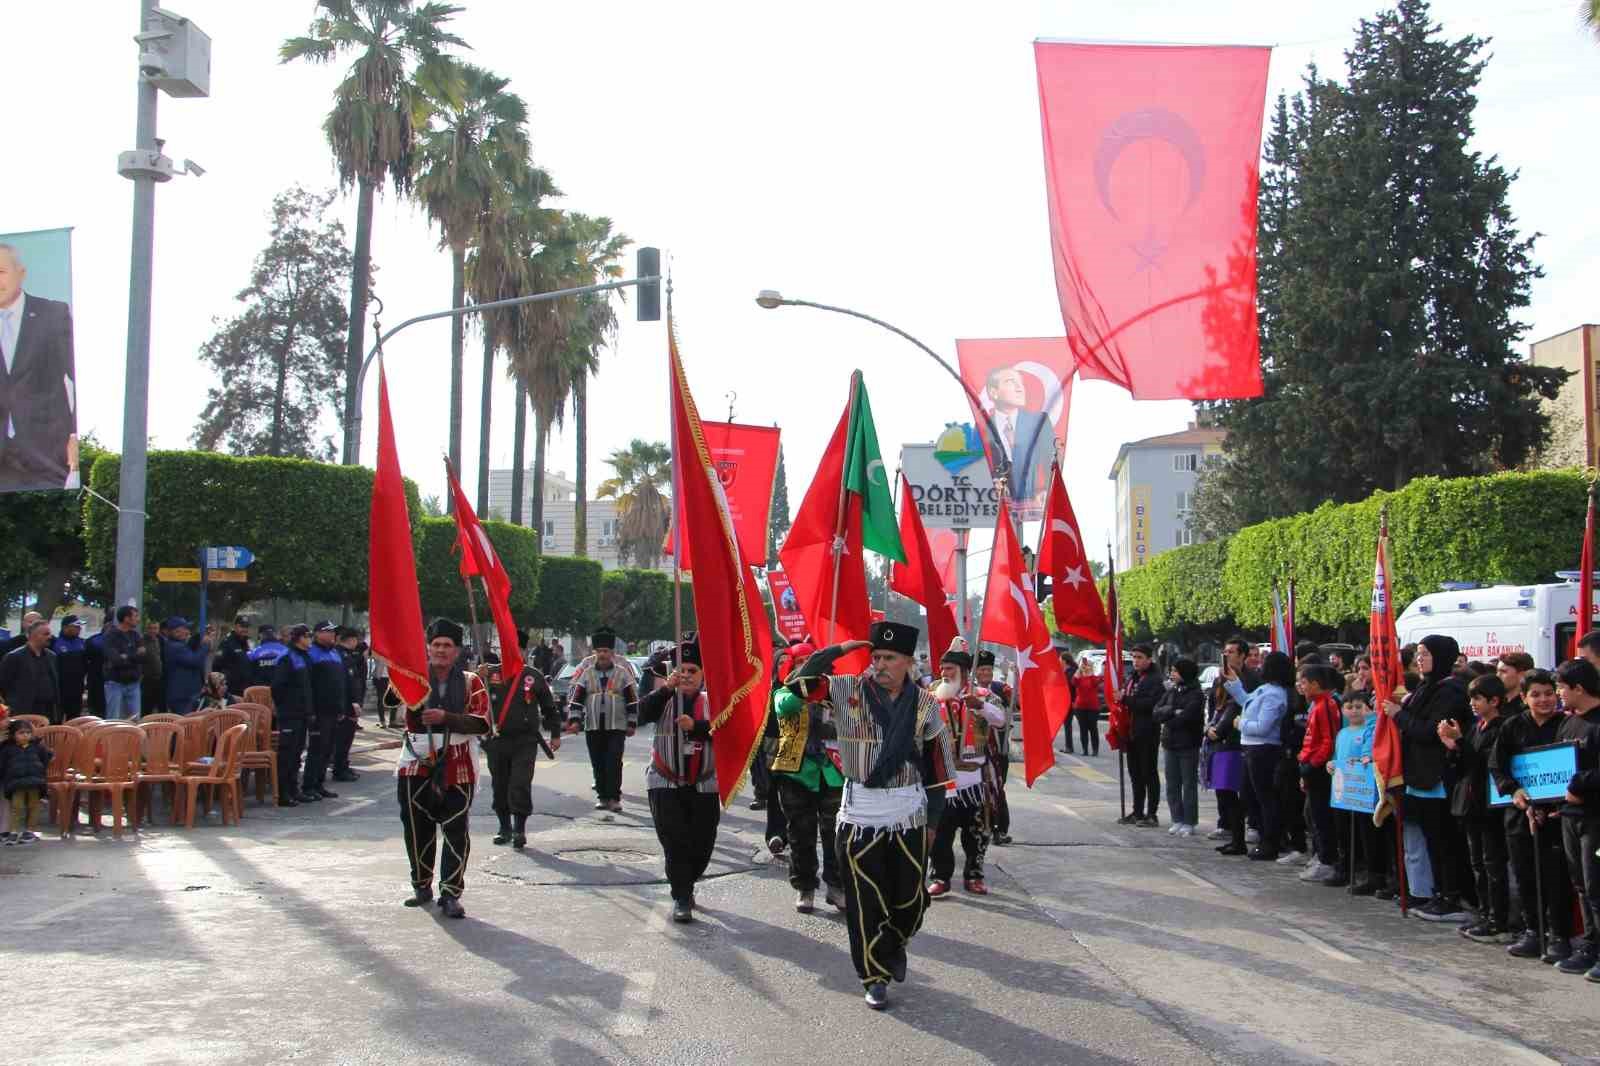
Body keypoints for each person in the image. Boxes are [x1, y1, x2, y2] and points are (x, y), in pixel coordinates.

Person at [815, 622, 955, 1010]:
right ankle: (873, 975)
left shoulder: (926, 704)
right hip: (860, 813)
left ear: (909, 662)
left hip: (909, 816)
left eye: (889, 658)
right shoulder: (846, 690)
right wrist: (838, 649)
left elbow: (939, 769)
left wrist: (933, 826)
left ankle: (894, 941)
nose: (880, 664)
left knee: (910, 902)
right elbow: (799, 680)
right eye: (876, 656)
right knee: (865, 903)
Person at [394, 618, 490, 920]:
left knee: (455, 831)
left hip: (458, 762)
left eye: (447, 645)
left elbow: (482, 722)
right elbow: (392, 698)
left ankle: (450, 892)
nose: (441, 650)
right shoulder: (413, 677)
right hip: (416, 762)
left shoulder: (472, 681)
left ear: (457, 650)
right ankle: (421, 885)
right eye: (436, 645)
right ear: (428, 647)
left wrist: (446, 717)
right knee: (416, 828)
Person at [1386, 634, 1471, 923]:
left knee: (1444, 840)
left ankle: (1452, 895)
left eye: (1426, 654)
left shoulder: (1451, 691)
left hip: (1437, 775)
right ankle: (1437, 891)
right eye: (1418, 654)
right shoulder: (1426, 687)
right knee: (1431, 840)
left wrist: (1399, 715)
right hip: (1419, 775)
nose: (1419, 659)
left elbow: (1429, 731)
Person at [639, 636, 722, 923]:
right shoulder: (663, 698)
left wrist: (698, 727)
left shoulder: (714, 702)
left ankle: (690, 878)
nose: (686, 676)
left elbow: (729, 733)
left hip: (704, 784)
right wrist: (667, 690)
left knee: (701, 843)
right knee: (674, 841)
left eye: (692, 671)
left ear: (702, 676)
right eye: (681, 670)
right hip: (665, 781)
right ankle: (681, 895)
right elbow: (639, 714)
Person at [1492, 669, 1573, 963]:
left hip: (1558, 815)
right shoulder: (1512, 727)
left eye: (1549, 693)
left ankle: (1560, 936)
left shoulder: (1566, 724)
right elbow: (1497, 767)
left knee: (1557, 877)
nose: (1544, 700)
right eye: (1535, 695)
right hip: (1520, 815)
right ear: (1524, 698)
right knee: (1526, 874)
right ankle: (1532, 931)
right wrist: (1514, 792)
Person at [769, 639, 844, 913]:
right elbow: (786, 706)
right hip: (795, 772)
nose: (807, 667)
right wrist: (806, 686)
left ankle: (837, 887)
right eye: (801, 663)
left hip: (833, 771)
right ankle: (805, 886)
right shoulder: (783, 692)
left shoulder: (835, 692)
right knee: (801, 834)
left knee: (836, 833)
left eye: (811, 662)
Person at [927, 638, 1005, 897]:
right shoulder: (930, 695)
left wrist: (980, 707)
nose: (944, 673)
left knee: (976, 835)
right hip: (941, 780)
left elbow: (1002, 721)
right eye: (942, 668)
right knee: (940, 835)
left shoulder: (982, 696)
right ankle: (940, 877)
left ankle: (974, 876)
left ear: (963, 672)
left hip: (974, 782)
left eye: (950, 668)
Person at [1441, 674, 1513, 943]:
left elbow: (1487, 764)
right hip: (1469, 803)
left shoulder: (1502, 728)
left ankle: (1499, 919)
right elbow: (1462, 764)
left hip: (1489, 804)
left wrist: (1459, 742)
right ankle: (1485, 913)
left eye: (1477, 698)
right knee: (1478, 863)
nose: (1472, 703)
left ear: (1494, 701)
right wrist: (1452, 746)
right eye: (1471, 698)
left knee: (1493, 863)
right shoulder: (1476, 727)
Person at [0, 243, 78, 492]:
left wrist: (76, 435)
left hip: (47, 455)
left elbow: (78, 377)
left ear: (20, 273)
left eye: (0, 271)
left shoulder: (54, 314)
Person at [484, 654, 560, 850]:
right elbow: (473, 697)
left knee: (520, 783)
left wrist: (555, 733)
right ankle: (504, 827)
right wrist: (477, 676)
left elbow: (549, 707)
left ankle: (519, 829)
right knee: (499, 784)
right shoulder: (489, 673)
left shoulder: (532, 676)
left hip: (525, 740)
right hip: (497, 739)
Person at [1555, 658, 1600, 977]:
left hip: (1596, 816)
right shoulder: (1568, 722)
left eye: (1560, 688)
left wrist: (1578, 785)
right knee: (1581, 885)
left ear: (1579, 688)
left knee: (1597, 884)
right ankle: (1590, 946)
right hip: (1570, 816)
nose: (1558, 695)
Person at [1226, 650, 1292, 861]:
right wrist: (1235, 683)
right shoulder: (1265, 689)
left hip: (1263, 749)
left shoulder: (1275, 694)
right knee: (1247, 797)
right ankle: (1243, 841)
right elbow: (1246, 701)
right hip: (1251, 748)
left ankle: (1270, 842)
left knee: (1265, 798)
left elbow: (1263, 726)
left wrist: (1240, 724)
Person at [565, 627, 639, 814]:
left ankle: (614, 798)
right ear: (595, 653)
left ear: (612, 653)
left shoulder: (622, 672)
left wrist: (632, 723)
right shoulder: (587, 672)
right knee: (597, 761)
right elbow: (577, 698)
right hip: (594, 726)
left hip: (617, 726)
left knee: (613, 760)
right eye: (600, 651)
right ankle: (603, 797)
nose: (603, 654)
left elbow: (632, 699)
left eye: (606, 651)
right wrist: (574, 721)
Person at [1296, 664, 1345, 883]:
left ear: (1315, 684)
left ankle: (1327, 860)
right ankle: (1321, 855)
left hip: (1319, 769)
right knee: (1313, 815)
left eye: (1303, 682)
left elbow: (1328, 739)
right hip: (1309, 764)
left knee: (1321, 816)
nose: (1300, 686)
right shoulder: (1316, 705)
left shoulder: (1326, 704)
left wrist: (1313, 764)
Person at [1208, 637, 1257, 848]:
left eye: (1232, 652)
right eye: (1225, 651)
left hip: (1236, 740)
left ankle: (1239, 837)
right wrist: (1210, 726)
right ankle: (1229, 830)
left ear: (1243, 655)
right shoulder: (1220, 678)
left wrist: (1218, 730)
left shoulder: (1250, 679)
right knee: (1222, 789)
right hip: (1219, 740)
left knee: (1234, 791)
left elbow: (1236, 707)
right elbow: (1214, 706)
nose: (1227, 655)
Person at [1327, 690, 1377, 890]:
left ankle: (1366, 870)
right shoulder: (1342, 733)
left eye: (1359, 706)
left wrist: (1361, 761)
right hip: (1343, 791)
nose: (1355, 711)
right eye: (1350, 707)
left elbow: (1368, 754)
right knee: (1343, 830)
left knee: (1364, 830)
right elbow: (1337, 756)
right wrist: (1331, 764)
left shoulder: (1368, 730)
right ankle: (1345, 867)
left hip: (1361, 790)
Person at [982, 365, 1052, 499]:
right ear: (993, 392)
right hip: (999, 505)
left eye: (1021, 383)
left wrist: (1045, 491)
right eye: (1010, 382)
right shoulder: (983, 428)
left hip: (1032, 504)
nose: (1020, 388)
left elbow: (1052, 464)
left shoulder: (1039, 422)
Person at [1154, 658, 1205, 837]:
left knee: (1188, 784)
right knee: (1172, 784)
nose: (1172, 674)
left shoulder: (1197, 694)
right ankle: (1177, 818)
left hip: (1188, 744)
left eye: (1175, 671)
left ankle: (1190, 821)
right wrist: (1172, 711)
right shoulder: (1171, 691)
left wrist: (1171, 715)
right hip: (1169, 743)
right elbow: (1157, 711)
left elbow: (1187, 717)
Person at [271, 624, 317, 806]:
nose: (310, 639)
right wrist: (287, 705)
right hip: (290, 713)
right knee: (286, 754)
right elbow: (277, 686)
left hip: (302, 713)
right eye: (308, 636)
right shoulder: (287, 657)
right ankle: (283, 794)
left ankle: (293, 789)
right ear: (299, 638)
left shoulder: (304, 657)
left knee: (297, 753)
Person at [1120, 644, 1165, 827]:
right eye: (1134, 657)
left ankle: (1151, 813)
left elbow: (1150, 704)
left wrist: (1126, 699)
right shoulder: (1133, 677)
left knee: (1149, 774)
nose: (1136, 661)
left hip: (1147, 732)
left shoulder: (1154, 679)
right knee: (1135, 774)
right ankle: (1137, 811)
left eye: (1139, 657)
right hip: (1132, 732)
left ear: (1149, 659)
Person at [302, 621, 348, 799]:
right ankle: (309, 785)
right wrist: (310, 710)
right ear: (317, 634)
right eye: (328, 632)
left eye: (333, 632)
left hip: (334, 710)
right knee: (317, 749)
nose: (332, 635)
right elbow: (309, 685)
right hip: (319, 711)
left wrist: (341, 706)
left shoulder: (335, 653)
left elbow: (340, 683)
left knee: (328, 749)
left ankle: (319, 783)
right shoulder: (312, 654)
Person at [975, 649, 1014, 843]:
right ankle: (983, 827)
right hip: (976, 750)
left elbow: (1015, 707)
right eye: (982, 669)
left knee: (998, 787)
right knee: (979, 790)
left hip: (998, 748)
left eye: (989, 669)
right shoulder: (968, 691)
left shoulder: (1001, 689)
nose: (986, 673)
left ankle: (1001, 829)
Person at [0, 719, 51, 845]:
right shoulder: (7, 749)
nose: (25, 735)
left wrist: (40, 773)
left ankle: (30, 831)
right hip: (16, 784)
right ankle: (14, 831)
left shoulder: (37, 747)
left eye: (28, 732)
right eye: (21, 733)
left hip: (35, 782)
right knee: (16, 807)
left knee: (34, 806)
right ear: (13, 735)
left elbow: (45, 759)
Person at [0, 619, 59, 724]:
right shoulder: (14, 657)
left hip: (48, 709)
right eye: (46, 634)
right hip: (23, 711)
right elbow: (3, 685)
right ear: (33, 636)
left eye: (50, 634)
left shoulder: (51, 656)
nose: (50, 637)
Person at [331, 627, 368, 783]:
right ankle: (339, 769)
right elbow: (345, 684)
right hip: (346, 705)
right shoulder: (340, 656)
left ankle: (343, 766)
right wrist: (353, 702)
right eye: (355, 640)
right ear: (351, 640)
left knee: (347, 738)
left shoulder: (347, 656)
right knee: (343, 739)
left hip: (350, 704)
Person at [102, 606, 146, 720]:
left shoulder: (135, 635)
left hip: (133, 683)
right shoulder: (111, 636)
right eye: (135, 616)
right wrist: (133, 656)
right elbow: (116, 659)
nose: (138, 619)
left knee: (135, 719)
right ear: (126, 618)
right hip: (115, 683)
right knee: (114, 719)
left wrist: (126, 656)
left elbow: (142, 657)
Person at [162, 618, 211, 715]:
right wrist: (205, 645)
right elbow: (195, 661)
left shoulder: (178, 645)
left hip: (187, 694)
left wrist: (199, 636)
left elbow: (189, 648)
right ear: (176, 631)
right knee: (187, 725)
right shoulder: (175, 647)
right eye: (185, 629)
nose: (187, 632)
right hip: (182, 695)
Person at [50, 615, 86, 720]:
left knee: (75, 718)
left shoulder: (82, 643)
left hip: (76, 688)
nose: (79, 629)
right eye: (76, 626)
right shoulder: (54, 643)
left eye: (80, 626)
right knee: (57, 718)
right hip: (59, 688)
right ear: (65, 627)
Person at [215, 617, 253, 702]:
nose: (244, 629)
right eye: (242, 626)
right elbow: (216, 666)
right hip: (232, 689)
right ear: (235, 626)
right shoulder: (227, 643)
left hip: (246, 688)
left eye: (246, 627)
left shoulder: (247, 643)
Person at [1071, 655, 1102, 756]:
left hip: (1093, 707)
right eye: (1085, 665)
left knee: (1093, 728)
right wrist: (1080, 669)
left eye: (1088, 665)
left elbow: (1095, 683)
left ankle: (1095, 749)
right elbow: (1073, 681)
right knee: (1083, 729)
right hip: (1080, 707)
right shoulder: (1079, 678)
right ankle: (1085, 750)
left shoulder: (1094, 677)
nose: (1086, 667)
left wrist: (1090, 672)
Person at [83, 618, 111, 716]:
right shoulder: (94, 641)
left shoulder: (93, 640)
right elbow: (86, 660)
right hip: (97, 680)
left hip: (110, 681)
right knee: (97, 710)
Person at [1495, 652, 1532, 718]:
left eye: (1503, 671)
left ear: (1522, 674)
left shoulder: (1530, 707)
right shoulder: (1495, 704)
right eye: (1497, 671)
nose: (1498, 675)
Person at [141, 619, 167, 714]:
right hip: (148, 678)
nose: (153, 631)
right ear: (146, 629)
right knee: (146, 707)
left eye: (155, 628)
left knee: (162, 707)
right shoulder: (141, 641)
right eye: (150, 628)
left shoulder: (161, 640)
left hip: (159, 678)